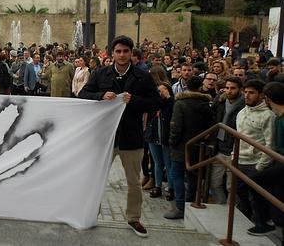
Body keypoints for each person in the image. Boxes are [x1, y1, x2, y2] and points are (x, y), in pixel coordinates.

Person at [79, 35, 162, 238]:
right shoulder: (101, 74)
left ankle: (133, 218)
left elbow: (155, 102)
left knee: (133, 182)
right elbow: (83, 94)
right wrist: (100, 96)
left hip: (131, 137)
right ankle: (91, 213)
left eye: (126, 51)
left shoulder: (143, 76)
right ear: (112, 53)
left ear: (131, 53)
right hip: (105, 136)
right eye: (118, 51)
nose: (122, 55)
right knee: (96, 178)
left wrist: (133, 100)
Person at [166, 76, 215, 219]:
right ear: (201, 87)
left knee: (177, 176)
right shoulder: (206, 104)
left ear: (187, 86)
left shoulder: (180, 103)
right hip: (198, 146)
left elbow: (176, 126)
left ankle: (180, 206)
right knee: (193, 177)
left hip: (181, 146)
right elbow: (211, 125)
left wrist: (172, 142)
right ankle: (190, 202)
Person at [235, 79, 275, 234]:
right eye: (245, 92)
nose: (247, 95)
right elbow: (238, 136)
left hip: (256, 163)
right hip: (240, 160)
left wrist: (260, 166)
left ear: (261, 95)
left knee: (256, 197)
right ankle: (243, 220)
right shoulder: (242, 112)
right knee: (241, 194)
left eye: (251, 92)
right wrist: (234, 155)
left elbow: (269, 144)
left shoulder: (268, 116)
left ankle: (262, 223)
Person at [247, 82, 284, 236]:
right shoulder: (277, 117)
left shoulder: (279, 118)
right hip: (278, 163)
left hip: (281, 163)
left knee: (256, 180)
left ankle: (266, 221)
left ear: (267, 99)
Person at [209, 76, 245, 204]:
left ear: (240, 89)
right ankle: (221, 207)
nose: (229, 91)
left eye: (233, 88)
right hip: (219, 147)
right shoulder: (220, 101)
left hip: (233, 149)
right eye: (227, 88)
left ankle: (230, 212)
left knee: (231, 186)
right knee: (214, 182)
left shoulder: (244, 106)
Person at [144, 66, 174, 200]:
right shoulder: (151, 95)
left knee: (168, 163)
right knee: (157, 162)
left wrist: (168, 97)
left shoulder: (169, 97)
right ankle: (157, 185)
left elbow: (172, 110)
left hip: (165, 133)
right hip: (153, 132)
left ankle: (171, 188)